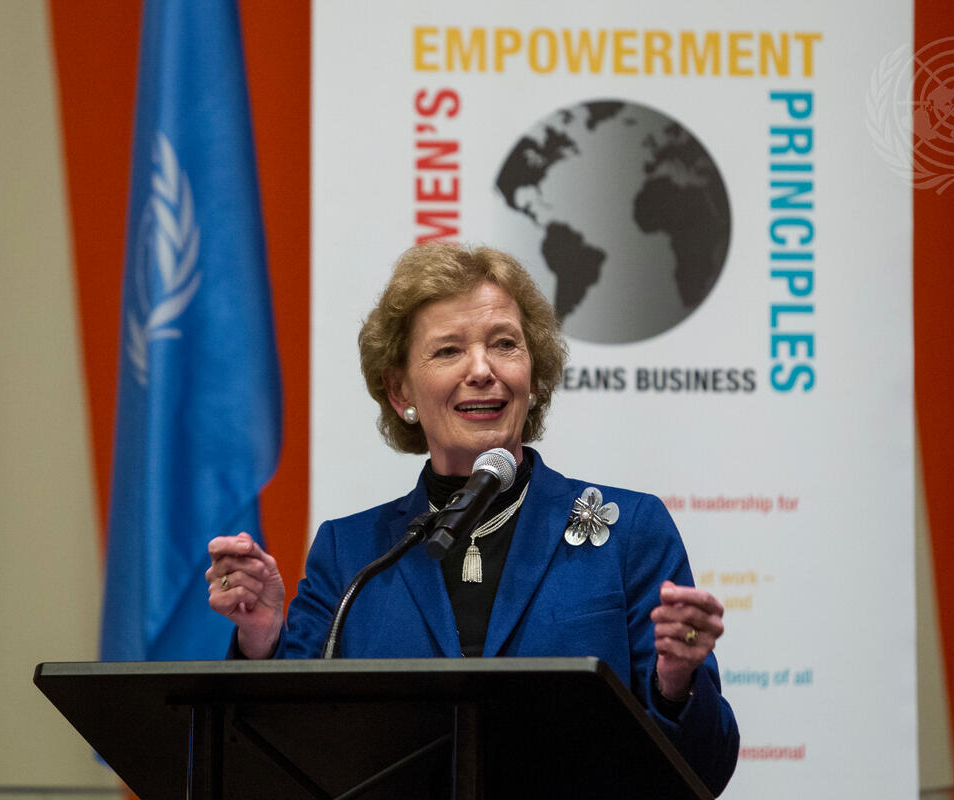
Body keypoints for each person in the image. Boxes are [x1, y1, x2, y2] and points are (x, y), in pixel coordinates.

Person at [205, 242, 739, 794]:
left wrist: (676, 684)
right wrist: (261, 640)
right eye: (448, 351)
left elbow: (706, 770)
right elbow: (278, 757)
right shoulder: (352, 555)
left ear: (534, 375)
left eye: (504, 344)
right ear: (400, 391)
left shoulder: (631, 532)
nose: (482, 370)